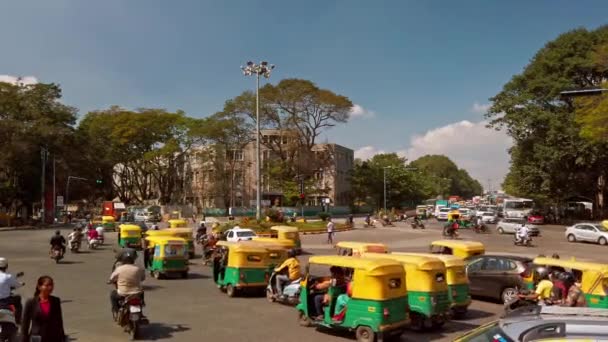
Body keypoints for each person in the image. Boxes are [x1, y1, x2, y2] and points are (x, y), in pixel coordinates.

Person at [21, 276, 66, 342]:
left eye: (51, 285)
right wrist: (24, 339)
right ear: (39, 287)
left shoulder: (56, 301)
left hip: (53, 337)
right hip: (36, 338)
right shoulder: (31, 302)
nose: (50, 288)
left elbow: (59, 321)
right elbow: (25, 324)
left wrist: (62, 337)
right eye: (47, 285)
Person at [0, 258, 24, 324]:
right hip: (5, 300)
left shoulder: (9, 277)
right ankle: (18, 320)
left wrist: (17, 275)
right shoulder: (8, 277)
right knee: (18, 298)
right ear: (6, 266)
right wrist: (21, 284)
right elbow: (16, 284)